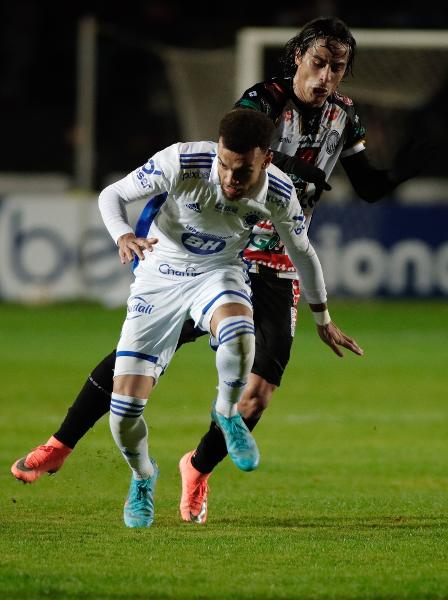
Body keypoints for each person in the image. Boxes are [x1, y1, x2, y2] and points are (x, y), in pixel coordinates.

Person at [11, 17, 425, 522]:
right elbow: (237, 156)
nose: (326, 77)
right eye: (319, 64)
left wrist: (410, 161)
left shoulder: (345, 117)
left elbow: (370, 187)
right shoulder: (263, 100)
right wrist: (306, 173)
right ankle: (61, 442)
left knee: (260, 392)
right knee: (134, 357)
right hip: (226, 254)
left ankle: (198, 468)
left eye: (337, 68)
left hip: (276, 265)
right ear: (298, 57)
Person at [102, 108, 364, 527]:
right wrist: (122, 233)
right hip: (160, 276)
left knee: (242, 332)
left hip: (219, 271)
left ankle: (226, 412)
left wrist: (322, 316)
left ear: (266, 159)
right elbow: (111, 195)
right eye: (223, 164)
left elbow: (304, 255)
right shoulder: (183, 161)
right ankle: (143, 476)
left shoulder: (279, 193)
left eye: (241, 170)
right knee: (123, 414)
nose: (228, 178)